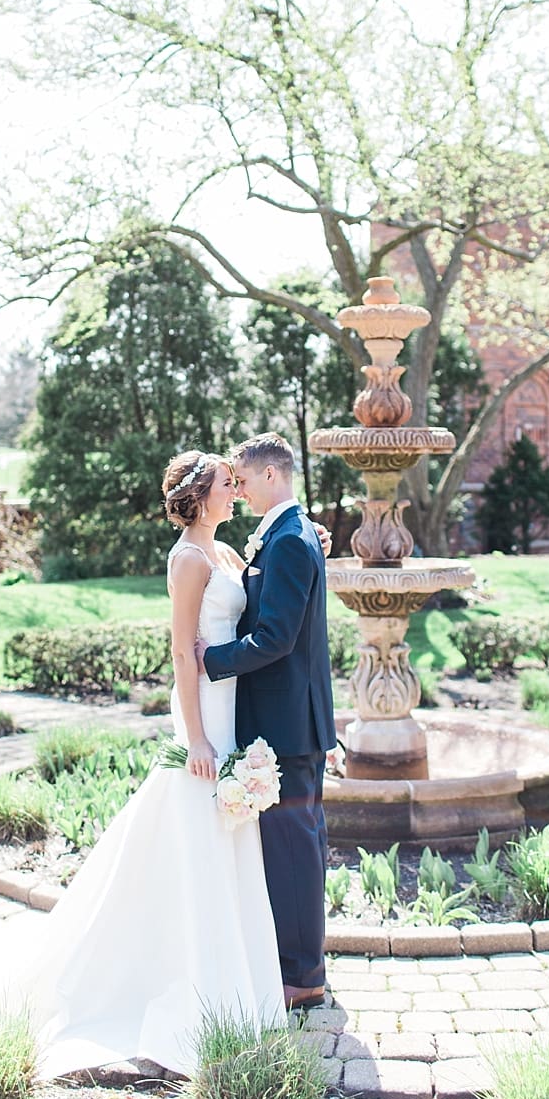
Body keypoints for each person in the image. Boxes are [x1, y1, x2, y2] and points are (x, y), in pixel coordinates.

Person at [0, 449, 286, 1077]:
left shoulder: (228, 553)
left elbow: (260, 584)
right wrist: (200, 740)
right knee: (192, 828)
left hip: (237, 715)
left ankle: (232, 979)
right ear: (197, 496)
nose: (233, 493)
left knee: (223, 839)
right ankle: (190, 983)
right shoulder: (187, 560)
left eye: (234, 485)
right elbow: (184, 654)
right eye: (223, 487)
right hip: (206, 715)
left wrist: (305, 537)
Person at [195, 433, 339, 1012]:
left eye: (244, 481)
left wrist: (213, 659)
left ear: (272, 477)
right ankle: (296, 960)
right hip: (283, 721)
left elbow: (277, 638)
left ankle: (303, 975)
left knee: (295, 850)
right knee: (292, 846)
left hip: (289, 725)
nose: (240, 490)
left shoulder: (290, 542)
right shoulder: (285, 537)